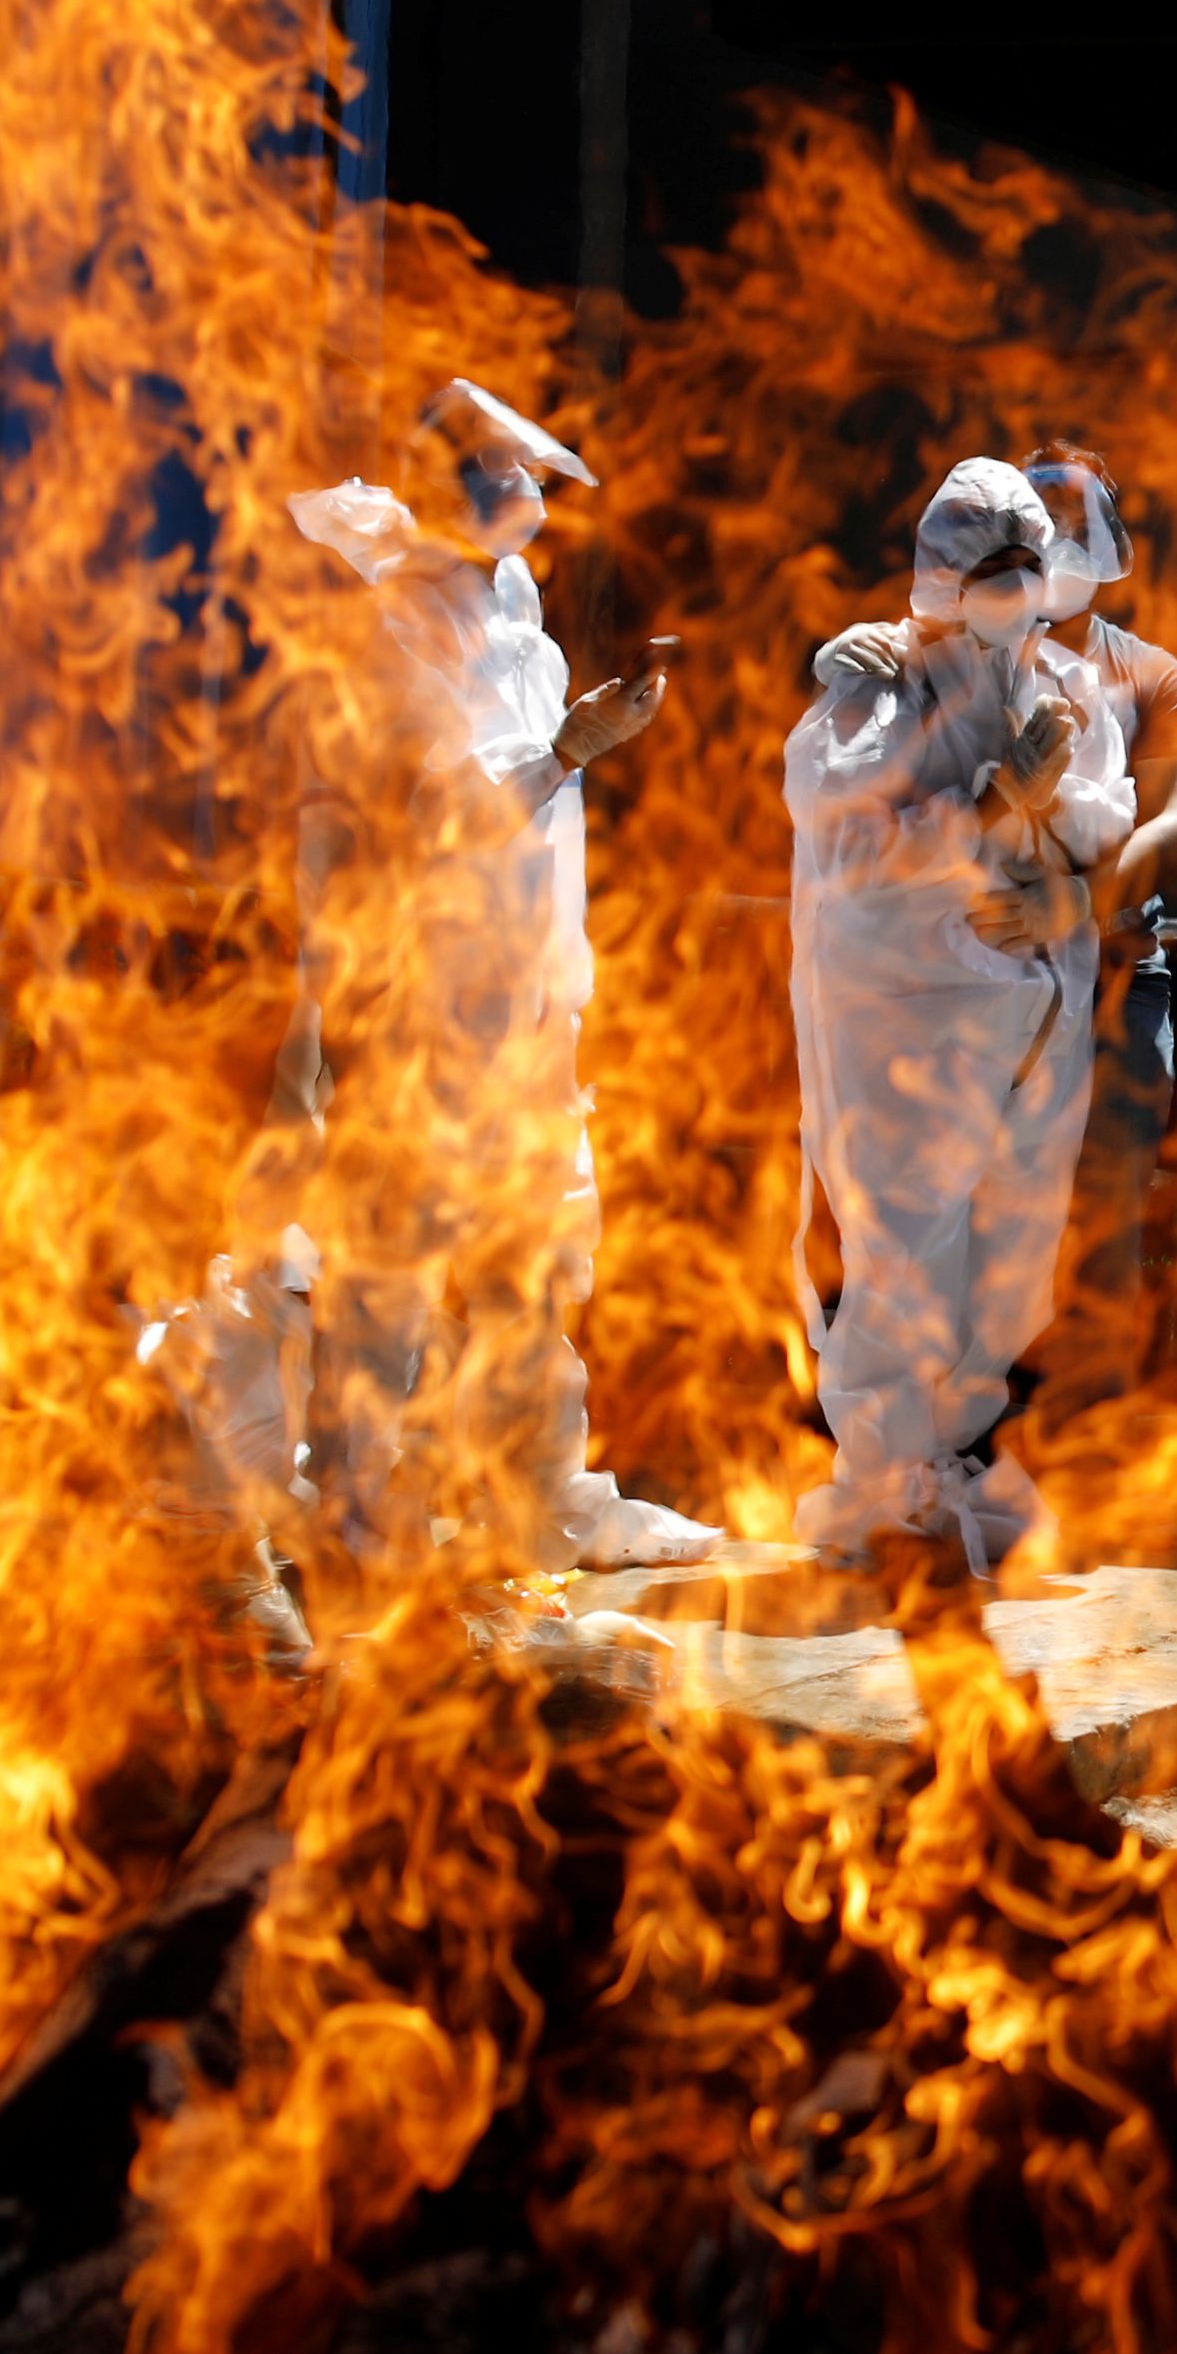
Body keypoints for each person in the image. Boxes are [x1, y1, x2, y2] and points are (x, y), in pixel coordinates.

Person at [282, 378, 720, 1576]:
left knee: (534, 1256)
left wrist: (571, 746)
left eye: (528, 470)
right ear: (450, 488)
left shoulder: (517, 617)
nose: (527, 490)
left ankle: (543, 1500)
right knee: (390, 1263)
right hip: (424, 1001)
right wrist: (568, 747)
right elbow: (439, 815)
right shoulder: (400, 628)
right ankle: (354, 1516)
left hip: (526, 1001)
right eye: (504, 470)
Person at [812, 444, 1177, 1418]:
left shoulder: (1143, 674)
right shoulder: (928, 660)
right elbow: (872, 819)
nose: (1053, 543)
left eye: (1075, 522)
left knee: (1098, 1211)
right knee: (938, 1216)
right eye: (1036, 522)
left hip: (1112, 977)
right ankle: (954, 1434)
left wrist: (1078, 904)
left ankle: (1082, 1423)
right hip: (963, 986)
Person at [786, 458, 1136, 1569]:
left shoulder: (1063, 688)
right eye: (993, 564)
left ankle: (955, 1459)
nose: (1017, 583)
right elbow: (853, 854)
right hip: (906, 1015)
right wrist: (986, 809)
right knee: (904, 1253)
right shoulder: (877, 685)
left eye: (1030, 562)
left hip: (1032, 1016)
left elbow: (1106, 823)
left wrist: (1060, 865)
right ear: (941, 571)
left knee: (1010, 1259)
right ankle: (886, 1481)